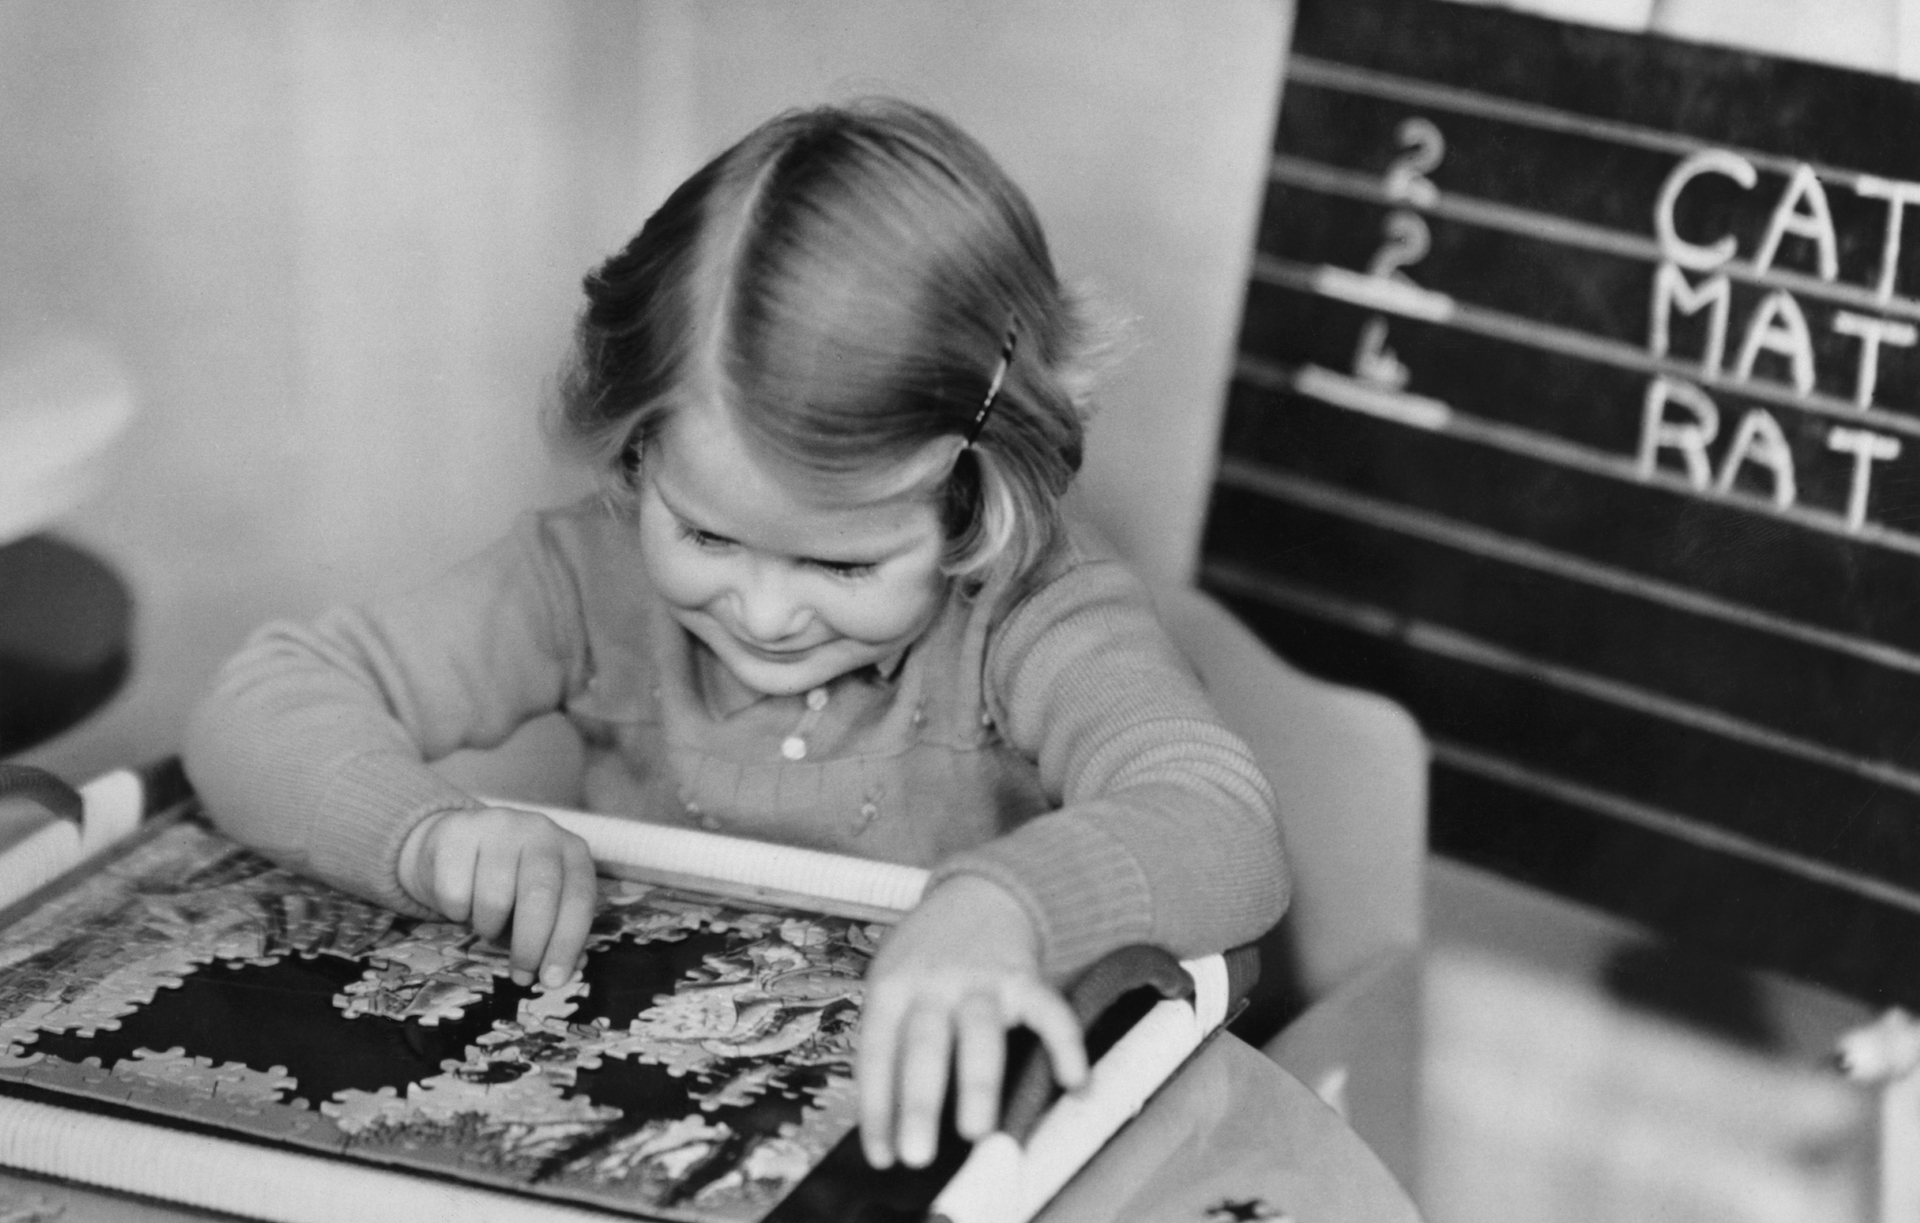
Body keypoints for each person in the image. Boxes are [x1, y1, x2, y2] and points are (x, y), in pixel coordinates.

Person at [184, 98, 1288, 1173]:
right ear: (634, 454)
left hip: (945, 1149)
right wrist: (424, 834)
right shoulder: (590, 573)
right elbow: (263, 696)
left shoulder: (1033, 609)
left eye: (843, 562)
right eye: (706, 533)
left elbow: (1221, 822)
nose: (762, 614)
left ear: (978, 500)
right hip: (641, 1128)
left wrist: (1011, 903)